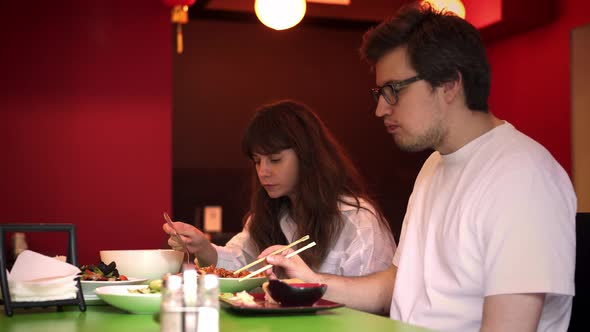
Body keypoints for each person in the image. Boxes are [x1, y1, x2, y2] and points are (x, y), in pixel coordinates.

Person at [261, 4, 576, 332]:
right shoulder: (435, 164)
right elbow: (399, 283)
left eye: (393, 91)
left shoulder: (522, 177)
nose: (380, 109)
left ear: (449, 84)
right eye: (380, 93)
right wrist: (312, 282)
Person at [163, 100, 396, 277]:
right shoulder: (268, 215)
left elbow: (374, 302)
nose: (263, 171)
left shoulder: (356, 221)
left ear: (307, 156)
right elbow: (241, 265)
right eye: (257, 160)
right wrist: (202, 247)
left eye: (275, 159)